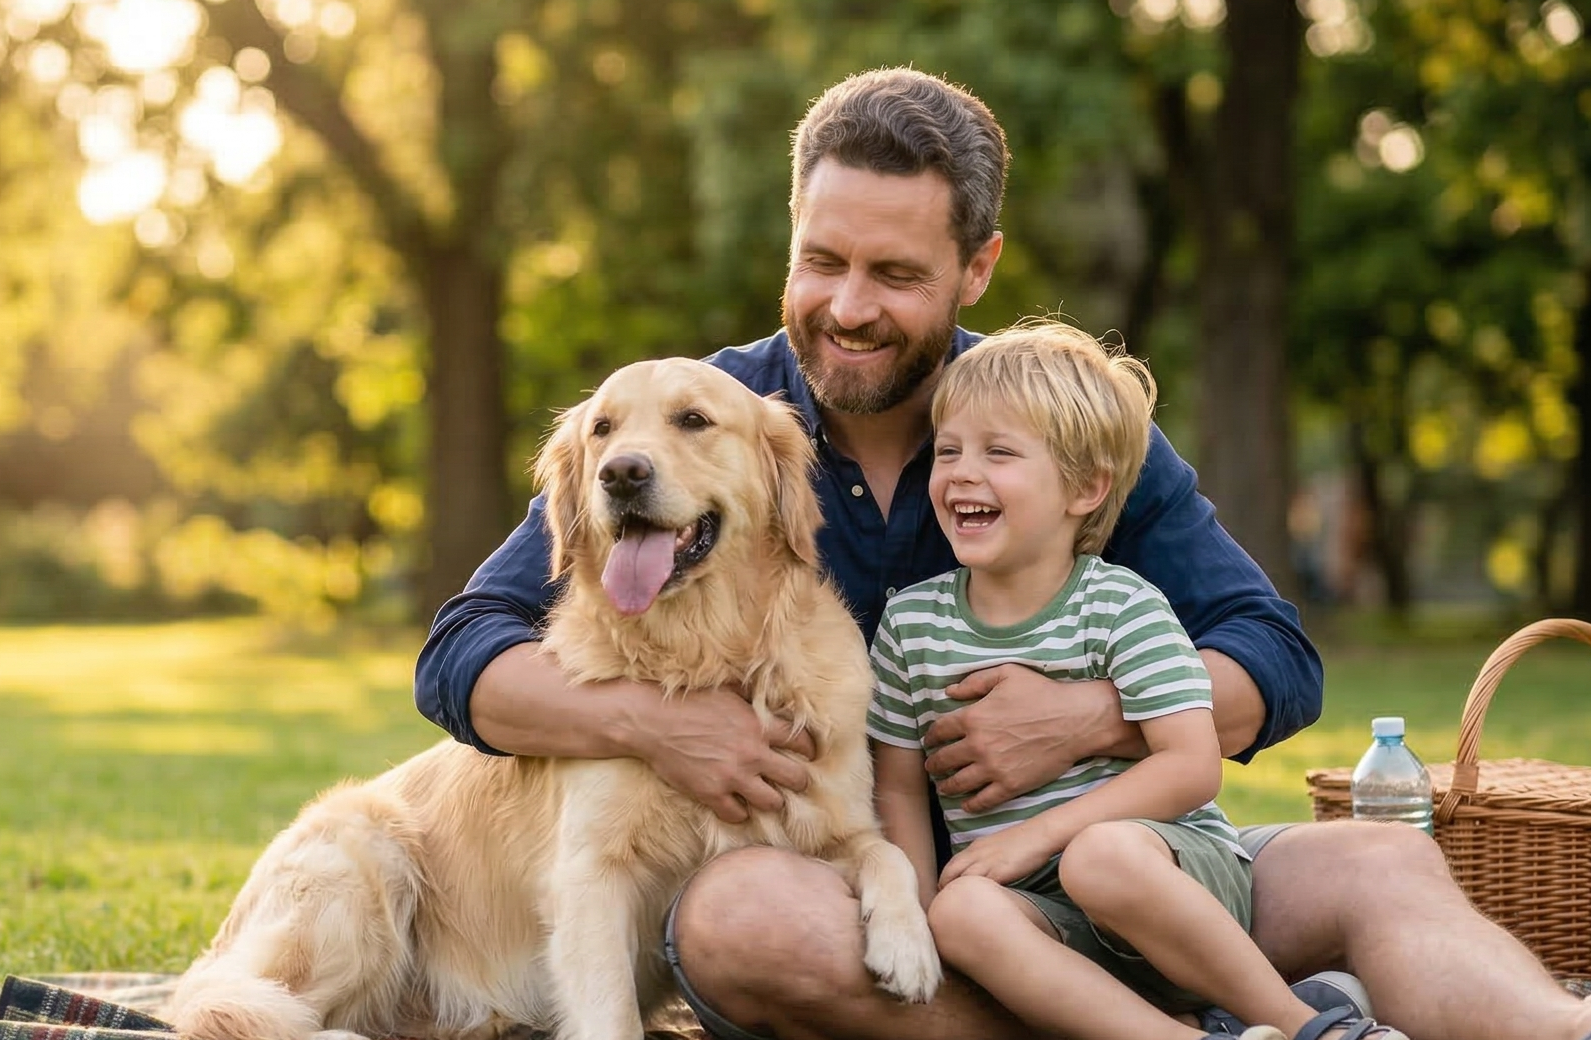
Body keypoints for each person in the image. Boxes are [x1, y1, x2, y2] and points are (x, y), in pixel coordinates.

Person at [414, 66, 1591, 1040]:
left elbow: (1274, 656)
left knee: (1378, 868)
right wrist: (655, 723)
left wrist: (1087, 718)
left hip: (1113, 864)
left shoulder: (1047, 417)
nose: (848, 305)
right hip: (895, 912)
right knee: (739, 918)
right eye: (822, 260)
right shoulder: (706, 419)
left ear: (976, 269)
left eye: (898, 273)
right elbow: (461, 656)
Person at [870, 321, 1391, 1040]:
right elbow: (897, 784)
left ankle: (1305, 1024)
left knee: (1100, 855)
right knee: (958, 913)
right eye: (949, 450)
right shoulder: (910, 626)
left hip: (1167, 878)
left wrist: (1038, 836)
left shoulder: (1121, 605)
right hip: (1044, 915)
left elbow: (1192, 765)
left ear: (1086, 487)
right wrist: (919, 909)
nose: (961, 472)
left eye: (999, 452)